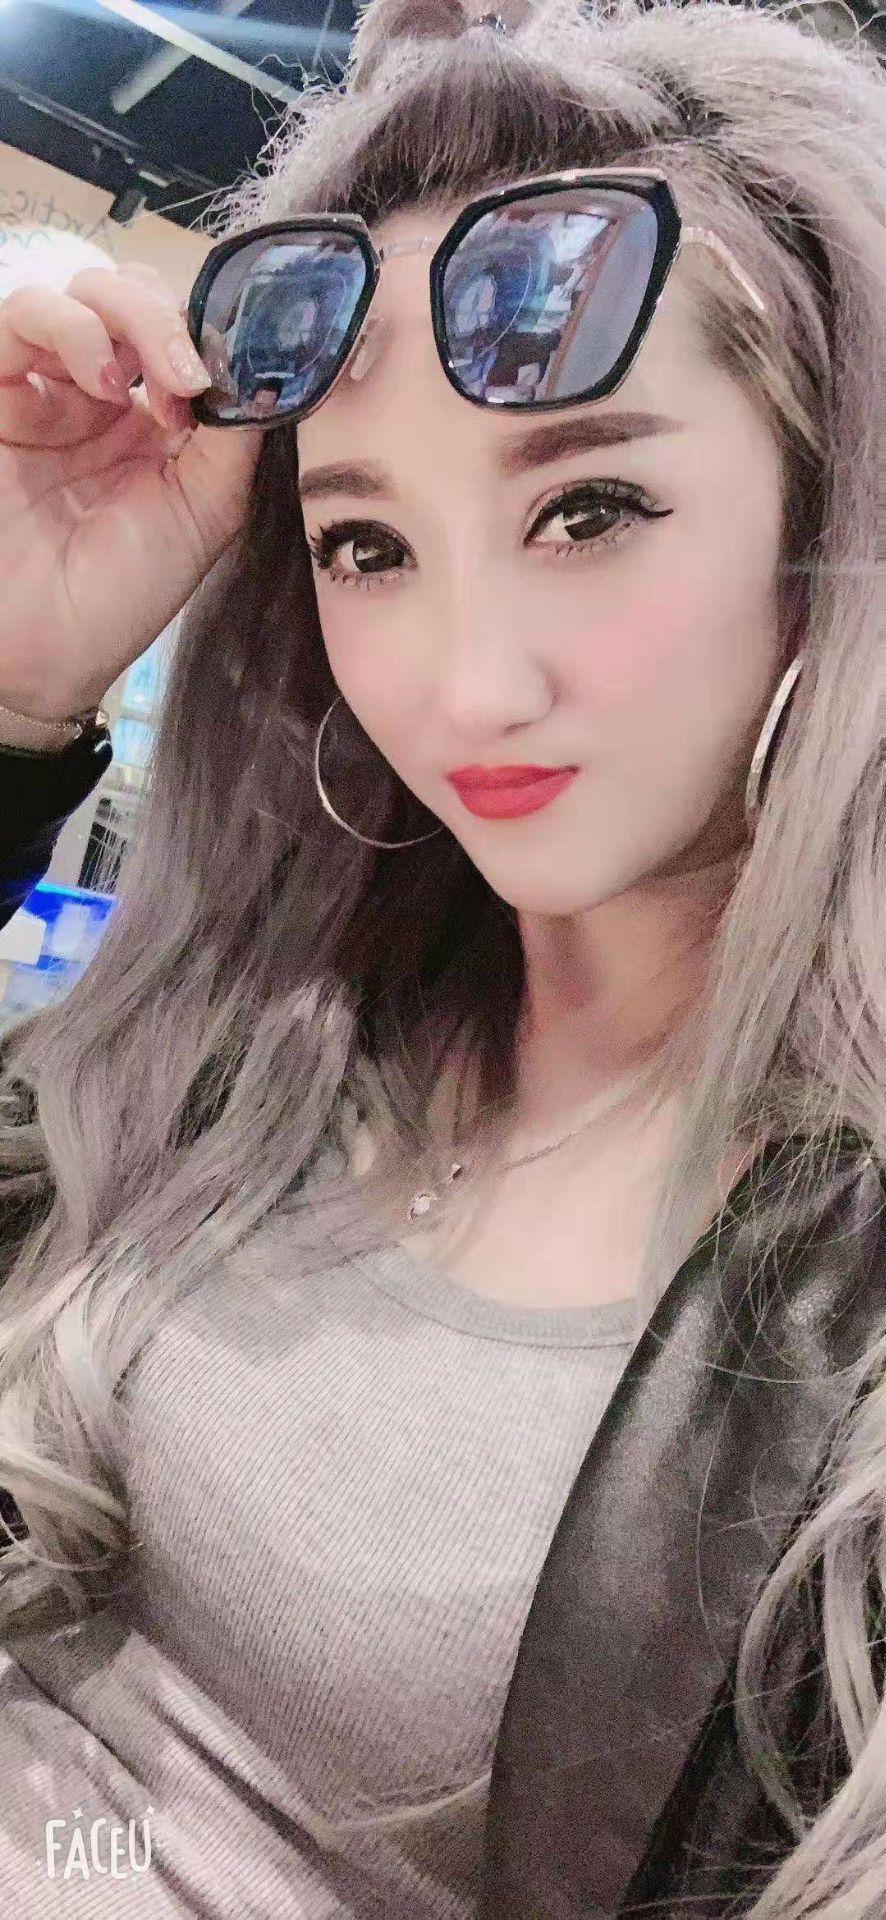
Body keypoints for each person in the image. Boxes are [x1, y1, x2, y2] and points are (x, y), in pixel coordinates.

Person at [0, 0, 882, 1914]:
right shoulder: (266, 1037)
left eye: (589, 507)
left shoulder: (844, 1312)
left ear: (832, 513)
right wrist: (14, 694)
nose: (465, 686)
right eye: (366, 545)